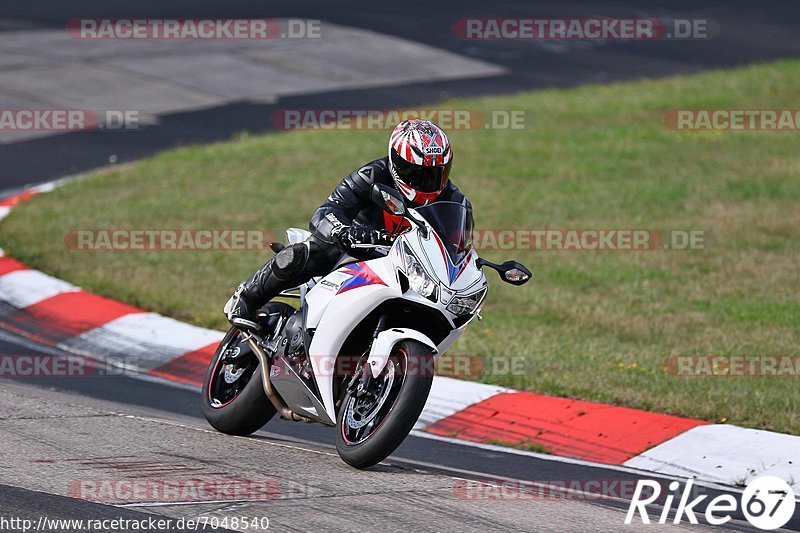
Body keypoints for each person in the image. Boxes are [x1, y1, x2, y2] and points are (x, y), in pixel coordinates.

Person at [225, 119, 472, 332]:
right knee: (311, 251)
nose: (427, 182)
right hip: (355, 249)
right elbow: (326, 212)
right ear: (396, 162)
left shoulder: (456, 201)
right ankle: (246, 298)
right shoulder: (371, 175)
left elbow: (458, 251)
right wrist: (342, 231)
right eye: (417, 173)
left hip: (405, 268)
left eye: (436, 173)